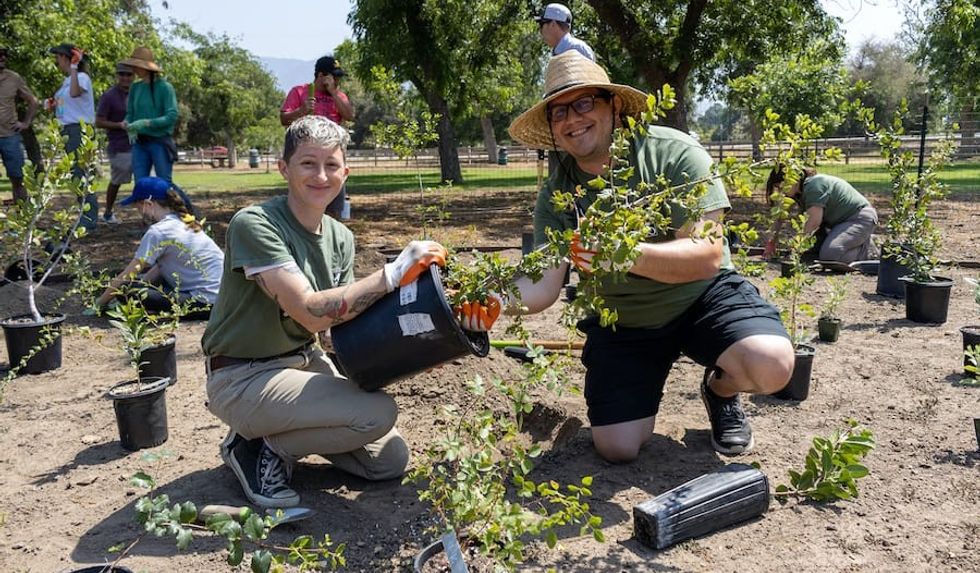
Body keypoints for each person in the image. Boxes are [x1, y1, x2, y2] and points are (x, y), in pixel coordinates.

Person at [459, 52, 794, 463]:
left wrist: (624, 253)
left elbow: (706, 254)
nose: (572, 118)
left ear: (614, 106)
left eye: (584, 103)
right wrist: (482, 303)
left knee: (771, 364)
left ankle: (720, 390)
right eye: (559, 111)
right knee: (617, 448)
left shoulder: (673, 153)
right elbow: (544, 284)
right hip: (625, 320)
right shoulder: (559, 192)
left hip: (700, 298)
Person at [202, 115, 447, 508]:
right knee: (377, 413)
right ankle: (256, 447)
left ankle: (272, 438)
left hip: (302, 364)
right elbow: (311, 314)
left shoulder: (340, 237)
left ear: (345, 172)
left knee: (388, 461)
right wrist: (392, 274)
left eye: (331, 165)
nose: (321, 175)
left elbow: (335, 329)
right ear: (284, 168)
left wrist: (420, 344)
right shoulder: (255, 224)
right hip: (242, 376)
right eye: (307, 163)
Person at [92, 177, 222, 319]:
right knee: (136, 286)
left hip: (203, 303)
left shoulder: (158, 231)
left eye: (138, 207)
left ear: (148, 204)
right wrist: (142, 284)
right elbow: (161, 267)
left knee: (125, 291)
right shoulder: (186, 221)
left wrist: (100, 303)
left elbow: (129, 274)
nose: (139, 212)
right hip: (223, 300)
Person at [280, 55, 355, 220]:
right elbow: (284, 119)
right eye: (333, 76)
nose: (337, 80)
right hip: (308, 150)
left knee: (334, 205)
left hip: (332, 152)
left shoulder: (339, 95)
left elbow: (349, 115)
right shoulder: (300, 91)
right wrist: (302, 110)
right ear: (321, 76)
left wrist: (334, 92)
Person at [763, 166, 879, 263]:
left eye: (782, 185)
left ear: (794, 179)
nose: (781, 191)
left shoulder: (814, 185)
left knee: (830, 256)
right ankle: (854, 241)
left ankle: (869, 251)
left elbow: (813, 223)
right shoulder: (797, 191)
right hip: (838, 225)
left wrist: (796, 248)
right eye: (778, 187)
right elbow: (780, 217)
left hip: (858, 219)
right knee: (809, 254)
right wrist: (771, 243)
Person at [48, 43, 98, 229]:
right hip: (68, 130)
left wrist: (75, 67)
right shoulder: (67, 81)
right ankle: (85, 217)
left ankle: (89, 221)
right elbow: (64, 105)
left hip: (79, 130)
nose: (56, 61)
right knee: (76, 175)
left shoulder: (81, 77)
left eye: (58, 57)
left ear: (66, 58)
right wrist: (51, 104)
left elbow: (76, 94)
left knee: (82, 175)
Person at [120, 46, 179, 182]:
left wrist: (148, 123)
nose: (134, 69)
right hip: (139, 143)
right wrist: (127, 122)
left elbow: (171, 115)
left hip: (160, 142)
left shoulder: (165, 88)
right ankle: (145, 204)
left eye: (137, 66)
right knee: (141, 183)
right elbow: (130, 113)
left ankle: (179, 203)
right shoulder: (135, 87)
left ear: (147, 68)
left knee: (164, 183)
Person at [95, 63, 136, 223]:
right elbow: (99, 121)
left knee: (144, 180)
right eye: (122, 74)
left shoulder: (139, 93)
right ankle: (108, 212)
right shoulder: (109, 96)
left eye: (129, 74)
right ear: (117, 76)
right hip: (120, 146)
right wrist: (119, 125)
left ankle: (149, 216)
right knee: (118, 180)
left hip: (141, 145)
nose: (125, 78)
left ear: (134, 76)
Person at [0, 47, 38, 203]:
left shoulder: (14, 78)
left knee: (18, 178)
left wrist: (26, 123)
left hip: (10, 136)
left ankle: (23, 222)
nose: (2, 57)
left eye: (4, 55)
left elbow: (33, 101)